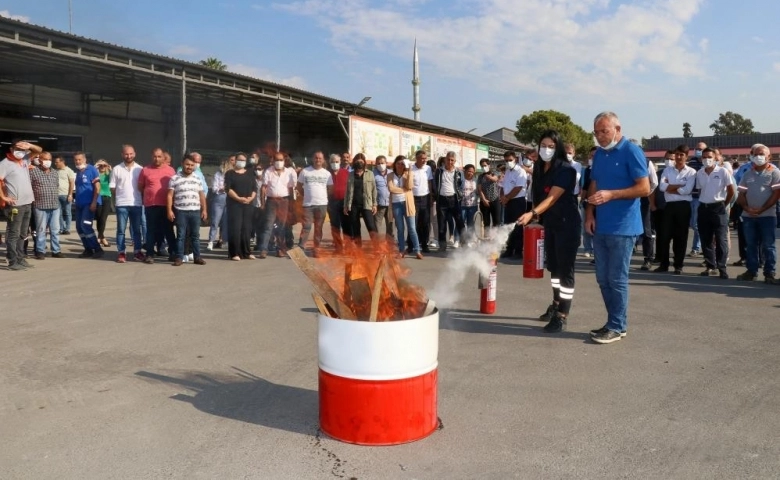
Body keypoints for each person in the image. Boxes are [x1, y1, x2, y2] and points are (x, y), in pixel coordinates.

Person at [585, 112, 650, 345]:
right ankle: (613, 321)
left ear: (618, 128)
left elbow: (644, 188)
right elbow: (594, 183)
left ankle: (617, 326)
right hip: (601, 225)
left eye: (605, 131)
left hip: (624, 227)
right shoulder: (600, 155)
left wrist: (613, 194)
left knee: (617, 278)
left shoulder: (632, 151)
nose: (600, 136)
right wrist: (590, 214)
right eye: (597, 132)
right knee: (603, 278)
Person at [517, 130, 581, 333]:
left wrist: (532, 213)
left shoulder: (565, 170)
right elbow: (537, 194)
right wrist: (537, 219)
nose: (546, 149)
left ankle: (562, 315)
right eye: (543, 145)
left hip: (567, 224)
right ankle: (555, 304)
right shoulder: (539, 168)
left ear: (558, 147)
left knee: (565, 271)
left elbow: (552, 198)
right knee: (553, 268)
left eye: (551, 146)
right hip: (551, 224)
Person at [736, 143, 780, 283]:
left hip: (767, 216)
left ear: (769, 157)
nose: (758, 157)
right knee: (750, 245)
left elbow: (776, 194)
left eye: (762, 154)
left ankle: (769, 273)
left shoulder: (774, 172)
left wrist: (761, 209)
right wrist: (747, 208)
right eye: (756, 154)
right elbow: (741, 194)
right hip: (748, 216)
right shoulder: (747, 173)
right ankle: (751, 271)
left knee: (768, 245)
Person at [655, 145, 696, 274]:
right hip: (669, 206)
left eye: (681, 155)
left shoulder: (691, 172)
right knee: (664, 236)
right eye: (677, 154)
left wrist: (671, 187)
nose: (678, 157)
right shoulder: (667, 170)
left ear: (686, 156)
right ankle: (664, 264)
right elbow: (662, 187)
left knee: (681, 237)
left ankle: (678, 265)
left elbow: (687, 190)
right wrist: (679, 187)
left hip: (683, 207)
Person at [696, 148, 735, 278]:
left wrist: (725, 203)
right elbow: (700, 190)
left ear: (714, 158)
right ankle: (710, 265)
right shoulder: (700, 173)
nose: (707, 159)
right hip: (704, 208)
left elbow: (731, 190)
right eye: (704, 157)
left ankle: (722, 267)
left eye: (709, 157)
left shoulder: (723, 171)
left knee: (721, 239)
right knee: (706, 239)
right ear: (701, 158)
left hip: (718, 207)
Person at [138, 148, 176, 264]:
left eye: (159, 156)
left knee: (168, 230)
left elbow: (174, 187)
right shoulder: (145, 170)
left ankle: (173, 253)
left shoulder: (170, 170)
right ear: (151, 157)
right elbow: (141, 187)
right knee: (151, 230)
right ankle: (150, 254)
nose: (157, 159)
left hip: (167, 205)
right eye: (155, 156)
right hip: (151, 205)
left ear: (163, 158)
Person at [167, 154, 207, 266]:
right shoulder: (174, 178)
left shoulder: (197, 179)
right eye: (187, 164)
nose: (189, 167)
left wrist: (204, 210)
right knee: (181, 236)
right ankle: (179, 257)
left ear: (194, 166)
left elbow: (202, 195)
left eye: (191, 165)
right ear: (182, 164)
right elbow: (170, 195)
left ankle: (197, 257)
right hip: (181, 212)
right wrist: (169, 210)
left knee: (195, 236)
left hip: (195, 211)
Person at [110, 144, 145, 263]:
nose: (128, 156)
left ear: (134, 154)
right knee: (121, 230)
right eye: (126, 154)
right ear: (122, 155)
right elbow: (113, 187)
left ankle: (137, 252)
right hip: (122, 204)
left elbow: (143, 187)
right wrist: (121, 197)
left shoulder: (140, 169)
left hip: (137, 203)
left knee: (137, 230)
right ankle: (121, 252)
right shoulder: (116, 169)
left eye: (131, 154)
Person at [258, 152, 295, 258]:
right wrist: (262, 203)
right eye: (277, 160)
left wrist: (291, 203)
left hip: (284, 201)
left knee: (282, 226)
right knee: (268, 226)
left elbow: (291, 188)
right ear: (273, 161)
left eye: (281, 160)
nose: (279, 162)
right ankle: (263, 249)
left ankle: (280, 249)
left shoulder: (289, 172)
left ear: (284, 161)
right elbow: (263, 188)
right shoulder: (268, 171)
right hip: (271, 201)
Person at [28, 151, 63, 259]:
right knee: (41, 230)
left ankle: (56, 250)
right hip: (40, 206)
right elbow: (29, 188)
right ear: (40, 160)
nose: (48, 162)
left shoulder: (54, 172)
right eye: (45, 159)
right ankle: (40, 251)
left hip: (55, 205)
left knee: (55, 230)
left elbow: (56, 186)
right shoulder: (33, 172)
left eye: (49, 159)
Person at [297, 151, 332, 256]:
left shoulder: (327, 173)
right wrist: (305, 195)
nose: (318, 160)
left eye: (320, 158)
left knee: (318, 228)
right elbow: (299, 186)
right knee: (306, 226)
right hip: (308, 205)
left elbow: (330, 189)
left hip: (321, 204)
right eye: (316, 158)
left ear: (323, 160)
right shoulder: (305, 171)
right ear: (313, 159)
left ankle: (316, 248)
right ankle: (300, 248)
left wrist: (323, 197)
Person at [387, 156, 423, 259]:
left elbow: (410, 186)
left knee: (412, 228)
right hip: (396, 203)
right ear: (395, 164)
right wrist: (404, 190)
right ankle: (401, 250)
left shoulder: (408, 174)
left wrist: (409, 171)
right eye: (398, 163)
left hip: (407, 203)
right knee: (400, 229)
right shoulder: (390, 175)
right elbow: (391, 188)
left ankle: (417, 250)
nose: (400, 166)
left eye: (402, 164)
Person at [225, 153, 257, 261]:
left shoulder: (250, 173)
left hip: (248, 205)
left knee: (247, 229)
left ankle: (246, 252)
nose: (242, 162)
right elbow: (228, 189)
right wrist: (239, 198)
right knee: (235, 228)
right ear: (235, 160)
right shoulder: (230, 173)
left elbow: (254, 188)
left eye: (244, 160)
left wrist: (250, 198)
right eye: (240, 159)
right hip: (235, 205)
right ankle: (234, 253)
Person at [73, 152, 105, 259]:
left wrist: (94, 202)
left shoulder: (91, 170)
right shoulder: (78, 172)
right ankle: (88, 249)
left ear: (85, 159)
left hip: (89, 204)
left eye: (80, 159)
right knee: (79, 228)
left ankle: (97, 249)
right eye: (76, 160)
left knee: (85, 225)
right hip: (79, 205)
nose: (78, 162)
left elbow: (97, 187)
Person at [433, 151, 465, 252]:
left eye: (452, 160)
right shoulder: (439, 171)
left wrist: (460, 195)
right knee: (441, 224)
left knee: (460, 222)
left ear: (455, 161)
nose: (450, 162)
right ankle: (442, 245)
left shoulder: (458, 172)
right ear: (445, 159)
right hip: (442, 200)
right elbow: (435, 184)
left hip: (454, 199)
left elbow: (461, 185)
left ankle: (464, 243)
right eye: (448, 159)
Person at [344, 153, 378, 246]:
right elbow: (347, 191)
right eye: (357, 161)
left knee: (371, 226)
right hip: (353, 205)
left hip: (367, 204)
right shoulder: (350, 175)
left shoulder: (370, 174)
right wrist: (345, 206)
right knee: (355, 228)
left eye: (361, 161)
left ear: (364, 162)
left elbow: (374, 189)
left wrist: (375, 204)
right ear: (354, 162)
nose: (359, 163)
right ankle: (359, 250)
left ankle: (377, 248)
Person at [500, 151, 528, 259]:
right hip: (508, 202)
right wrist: (502, 196)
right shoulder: (507, 171)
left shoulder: (520, 171)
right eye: (506, 160)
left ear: (515, 159)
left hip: (518, 201)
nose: (508, 162)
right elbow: (503, 186)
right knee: (508, 225)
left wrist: (507, 198)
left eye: (510, 160)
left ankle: (518, 251)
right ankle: (509, 249)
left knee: (518, 226)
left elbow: (518, 188)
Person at [411, 150, 434, 253]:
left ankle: (424, 244)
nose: (424, 160)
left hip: (425, 197)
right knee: (413, 223)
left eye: (425, 158)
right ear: (417, 158)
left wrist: (431, 197)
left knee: (425, 223)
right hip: (413, 198)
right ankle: (412, 245)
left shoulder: (428, 168)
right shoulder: (411, 168)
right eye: (422, 158)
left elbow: (429, 182)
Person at [687, 141, 707, 257]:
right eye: (697, 148)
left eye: (701, 149)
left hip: (702, 197)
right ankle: (697, 247)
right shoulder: (692, 161)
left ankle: (697, 247)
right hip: (692, 196)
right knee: (693, 224)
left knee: (696, 224)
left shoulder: (707, 163)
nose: (698, 150)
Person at [328, 153, 350, 253]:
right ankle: (338, 247)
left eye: (337, 162)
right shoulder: (326, 174)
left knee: (346, 225)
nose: (335, 164)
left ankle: (349, 246)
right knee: (335, 226)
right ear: (329, 162)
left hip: (344, 202)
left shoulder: (346, 173)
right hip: (331, 202)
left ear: (340, 162)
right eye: (333, 162)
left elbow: (350, 188)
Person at [207, 157, 231, 250]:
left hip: (228, 199)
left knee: (226, 222)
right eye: (222, 165)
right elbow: (214, 188)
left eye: (225, 165)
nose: (223, 167)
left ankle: (225, 241)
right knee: (215, 221)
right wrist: (221, 188)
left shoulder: (231, 175)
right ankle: (210, 241)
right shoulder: (217, 174)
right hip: (219, 199)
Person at [580, 147, 596, 258]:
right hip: (587, 202)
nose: (592, 158)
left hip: (600, 203)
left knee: (597, 227)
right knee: (586, 227)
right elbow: (585, 186)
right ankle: (587, 248)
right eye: (591, 156)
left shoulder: (604, 169)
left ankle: (596, 250)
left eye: (594, 156)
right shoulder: (587, 170)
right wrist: (582, 199)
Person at [373, 155, 394, 239]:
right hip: (378, 204)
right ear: (375, 164)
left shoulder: (391, 173)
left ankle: (389, 244)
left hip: (390, 204)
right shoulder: (372, 174)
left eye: (382, 163)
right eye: (378, 163)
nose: (380, 165)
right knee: (377, 225)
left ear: (386, 163)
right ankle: (378, 245)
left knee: (390, 225)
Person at [53, 155, 75, 235]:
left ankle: (67, 228)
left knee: (67, 212)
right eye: (55, 162)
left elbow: (71, 182)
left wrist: (70, 194)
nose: (55, 164)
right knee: (59, 213)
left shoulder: (69, 170)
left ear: (62, 162)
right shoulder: (55, 171)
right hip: (56, 195)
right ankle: (61, 228)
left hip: (65, 194)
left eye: (57, 162)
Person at [477, 158, 500, 229]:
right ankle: (486, 237)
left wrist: (488, 176)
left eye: (485, 165)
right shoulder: (480, 176)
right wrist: (483, 200)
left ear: (489, 165)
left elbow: (495, 179)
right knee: (486, 222)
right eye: (482, 166)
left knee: (496, 221)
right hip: (484, 202)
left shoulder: (495, 173)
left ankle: (495, 237)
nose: (483, 168)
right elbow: (479, 189)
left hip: (495, 200)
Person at [95, 159, 113, 248]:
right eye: (100, 166)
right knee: (98, 218)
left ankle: (99, 238)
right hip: (98, 197)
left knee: (103, 219)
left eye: (104, 166)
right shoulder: (96, 174)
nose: (102, 167)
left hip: (107, 197)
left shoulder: (109, 175)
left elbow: (115, 178)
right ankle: (103, 238)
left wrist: (109, 168)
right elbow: (92, 175)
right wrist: (96, 165)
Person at [461, 164, 479, 245]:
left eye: (472, 172)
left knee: (471, 224)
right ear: (465, 171)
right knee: (461, 222)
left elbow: (478, 191)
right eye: (469, 171)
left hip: (473, 205)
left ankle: (470, 240)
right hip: (462, 205)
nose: (470, 173)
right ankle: (460, 240)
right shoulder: (461, 179)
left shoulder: (476, 180)